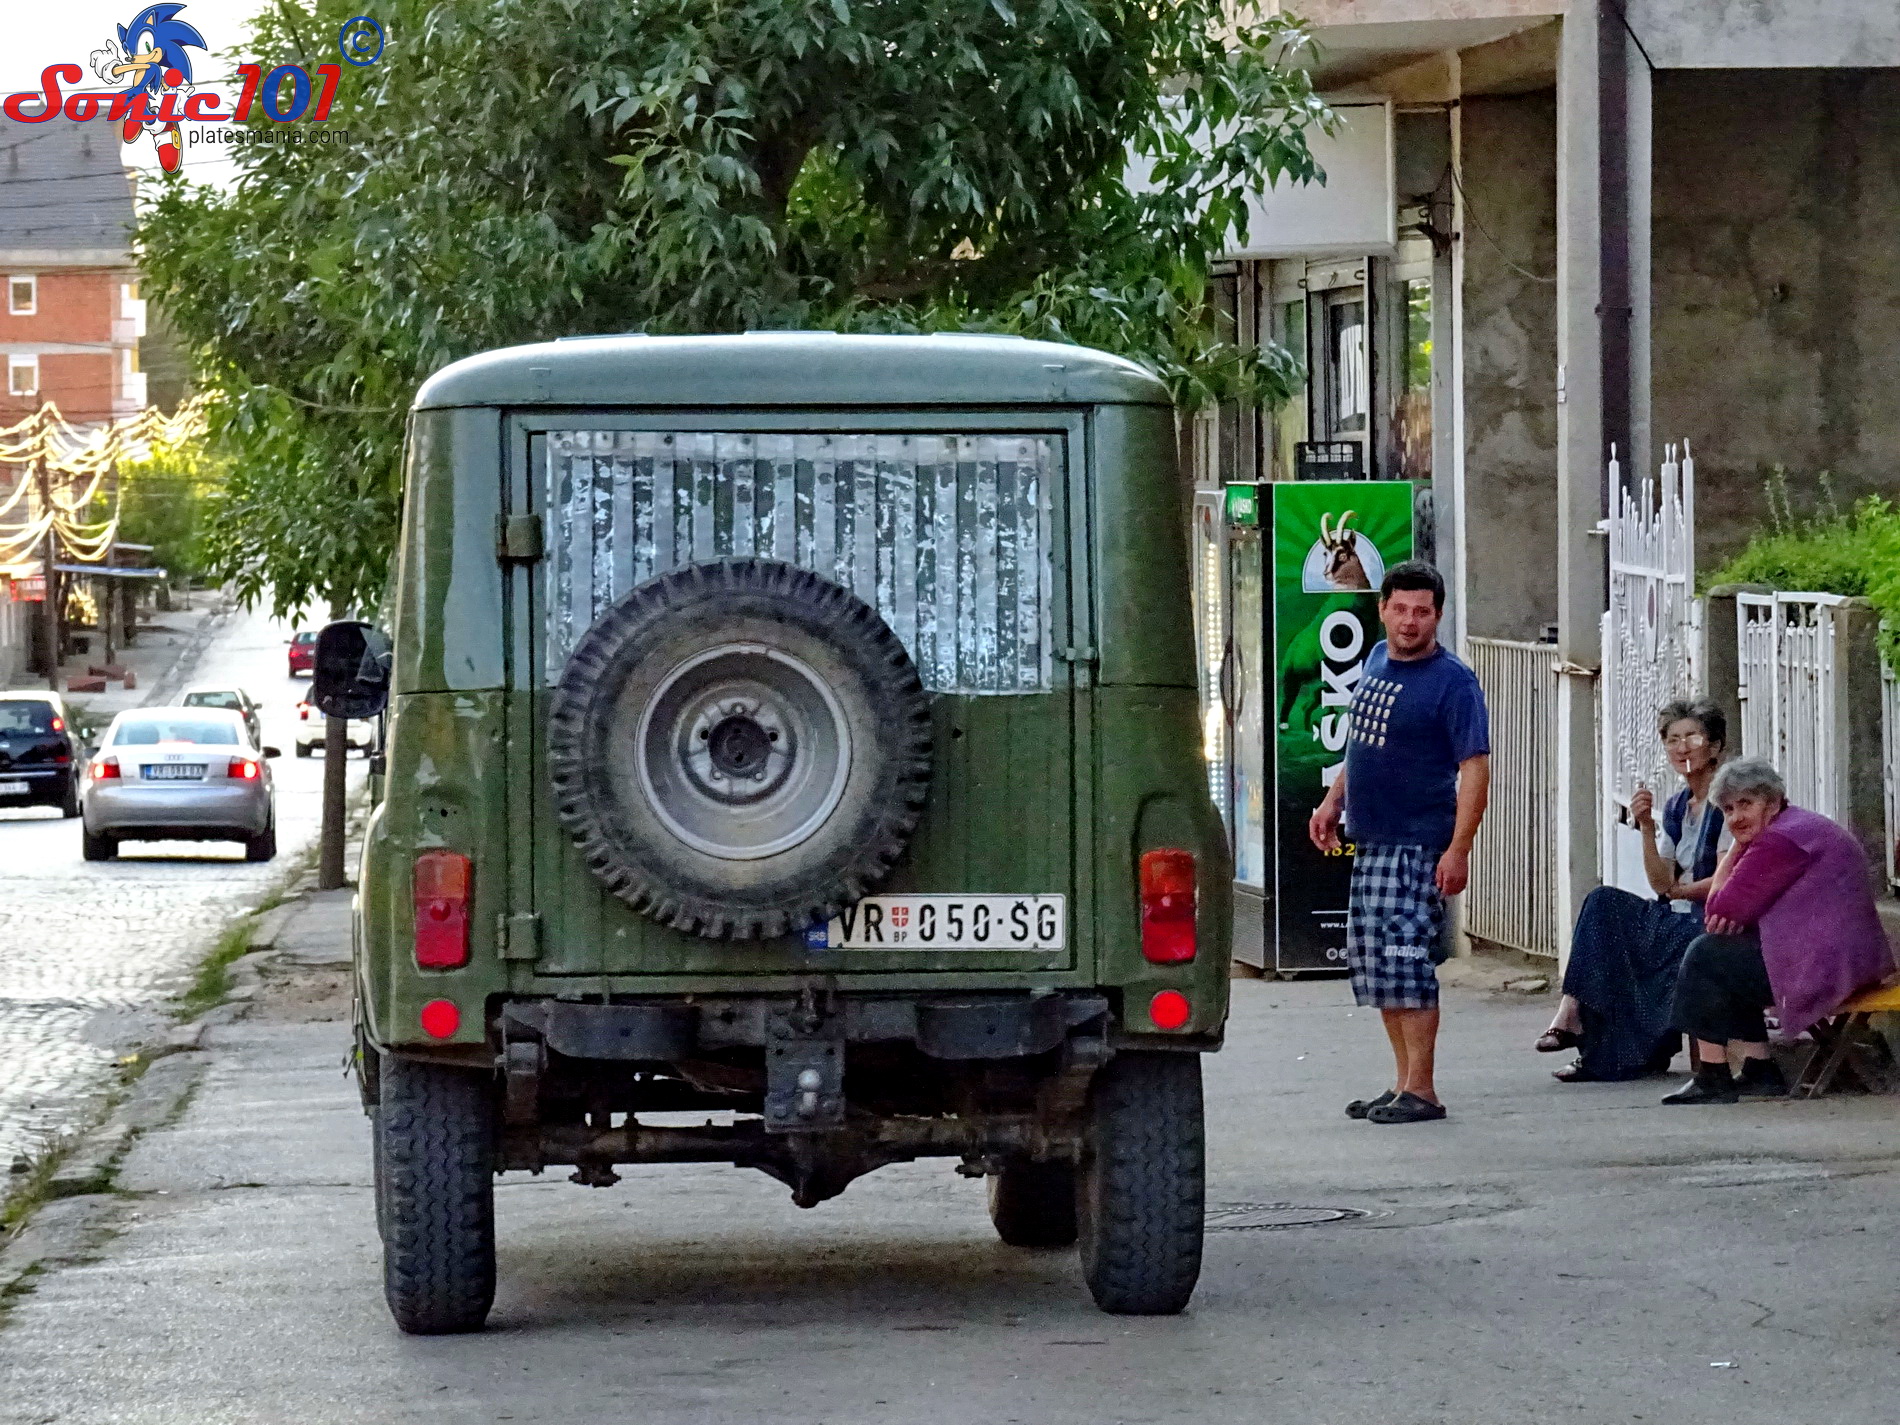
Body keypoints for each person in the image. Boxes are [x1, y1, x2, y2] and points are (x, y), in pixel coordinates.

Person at [1309, 560, 1490, 1125]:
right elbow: (1362, 746)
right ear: (1383, 609)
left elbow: (1476, 768)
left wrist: (1458, 849)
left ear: (1437, 615)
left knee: (1409, 965)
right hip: (1372, 839)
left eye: (1422, 611)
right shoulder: (1376, 658)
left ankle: (1425, 1090)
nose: (1410, 621)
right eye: (1401, 609)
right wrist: (1334, 799)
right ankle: (1403, 1082)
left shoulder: (1453, 682)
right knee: (1380, 969)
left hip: (1417, 844)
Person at [1662, 757, 1893, 1104]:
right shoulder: (1797, 827)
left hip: (1827, 968)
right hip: (1847, 961)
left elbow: (1717, 908)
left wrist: (1737, 848)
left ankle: (1713, 1076)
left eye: (1745, 805)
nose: (1736, 817)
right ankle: (1759, 1068)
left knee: (1705, 954)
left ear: (1771, 802)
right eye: (1727, 809)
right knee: (1727, 949)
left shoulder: (1781, 840)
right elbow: (1729, 913)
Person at [1537, 700, 1730, 1081]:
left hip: (1710, 922)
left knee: (1626, 936)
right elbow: (1660, 882)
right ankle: (1577, 1020)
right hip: (1678, 915)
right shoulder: (1678, 806)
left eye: (1693, 737)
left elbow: (1725, 880)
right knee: (1603, 904)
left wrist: (1678, 892)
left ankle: (1588, 1035)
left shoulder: (1727, 801)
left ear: (1715, 747)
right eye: (1673, 740)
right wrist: (1645, 826)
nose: (1682, 747)